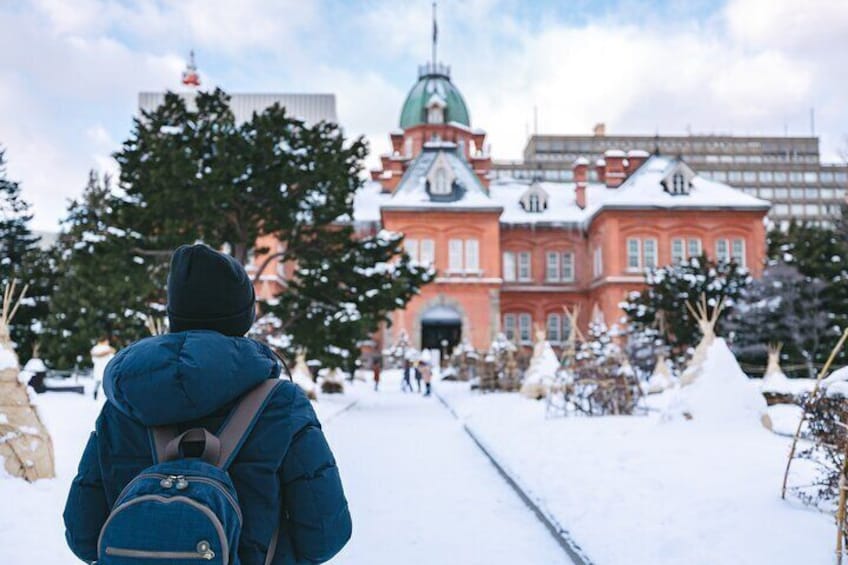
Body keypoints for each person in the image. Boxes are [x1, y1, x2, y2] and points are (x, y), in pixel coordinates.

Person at [63, 243, 351, 565]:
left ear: (174, 313)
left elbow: (83, 535)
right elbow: (325, 536)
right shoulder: (282, 404)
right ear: (244, 315)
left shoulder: (124, 403)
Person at [90, 336, 115, 403]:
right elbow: (112, 358)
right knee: (106, 382)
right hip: (105, 368)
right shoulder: (108, 348)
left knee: (98, 382)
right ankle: (107, 395)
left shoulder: (95, 348)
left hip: (99, 368)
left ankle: (96, 393)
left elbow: (94, 358)